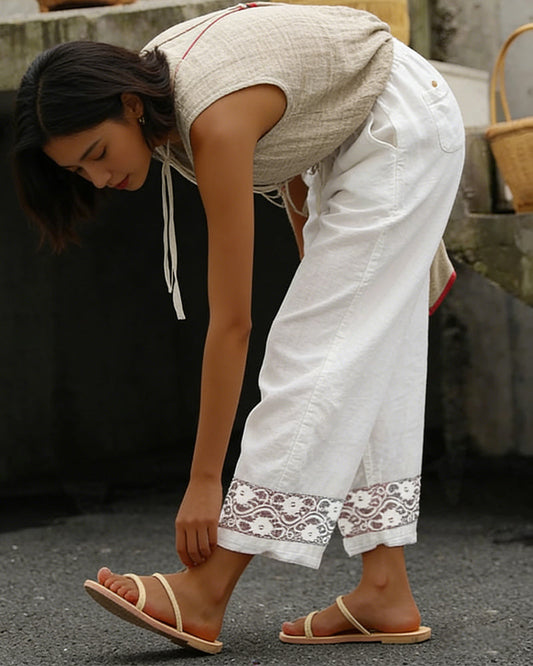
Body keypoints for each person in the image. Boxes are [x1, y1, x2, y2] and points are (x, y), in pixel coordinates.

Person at [13, 1, 465, 655]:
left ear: (130, 106)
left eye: (97, 153)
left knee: (314, 354)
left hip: (397, 124)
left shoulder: (212, 118)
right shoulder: (162, 95)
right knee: (349, 356)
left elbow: (232, 323)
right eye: (79, 171)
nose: (99, 177)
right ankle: (384, 589)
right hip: (358, 127)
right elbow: (299, 138)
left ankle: (207, 589)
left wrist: (205, 481)